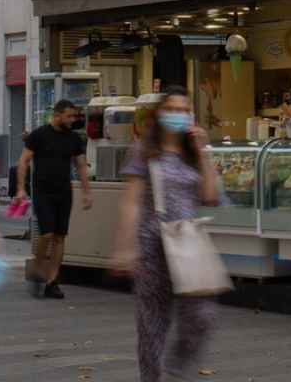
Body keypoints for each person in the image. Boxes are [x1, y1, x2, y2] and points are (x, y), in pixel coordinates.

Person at [112, 88, 222, 382]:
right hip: (152, 243)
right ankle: (151, 377)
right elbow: (132, 200)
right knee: (152, 324)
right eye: (171, 109)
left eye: (183, 110)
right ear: (160, 114)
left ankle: (174, 368)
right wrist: (126, 246)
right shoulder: (144, 150)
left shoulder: (192, 153)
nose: (177, 115)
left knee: (202, 315)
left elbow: (210, 196)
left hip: (187, 242)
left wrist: (204, 152)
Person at [16, 99, 92, 300]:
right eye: (69, 116)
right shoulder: (39, 135)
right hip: (42, 192)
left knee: (60, 237)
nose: (73, 119)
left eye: (74, 116)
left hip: (64, 192)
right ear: (57, 115)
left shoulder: (74, 139)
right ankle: (39, 266)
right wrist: (20, 189)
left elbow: (81, 165)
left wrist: (86, 192)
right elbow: (23, 160)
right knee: (47, 234)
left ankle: (52, 281)